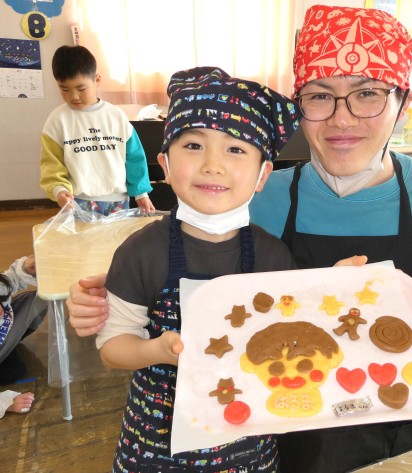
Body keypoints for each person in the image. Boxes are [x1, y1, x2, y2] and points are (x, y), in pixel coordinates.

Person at [67, 6, 412, 472]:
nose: (341, 119)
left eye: (367, 93)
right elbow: (194, 270)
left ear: (403, 102)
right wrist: (109, 297)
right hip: (274, 437)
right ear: (299, 106)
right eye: (320, 96)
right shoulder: (254, 196)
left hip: (401, 437)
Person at [95, 66, 299, 471]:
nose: (212, 165)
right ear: (165, 165)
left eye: (235, 149)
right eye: (193, 145)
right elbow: (112, 348)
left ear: (263, 174)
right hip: (156, 440)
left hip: (247, 435)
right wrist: (156, 350)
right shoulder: (140, 253)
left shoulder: (273, 257)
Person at [40, 45, 155, 216]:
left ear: (97, 80)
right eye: (64, 89)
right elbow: (51, 163)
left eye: (81, 89)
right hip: (78, 201)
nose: (74, 96)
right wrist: (58, 189)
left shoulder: (116, 116)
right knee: (84, 235)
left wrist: (141, 193)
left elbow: (134, 158)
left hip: (118, 200)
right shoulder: (57, 120)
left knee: (118, 235)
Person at [1, 255, 46, 419]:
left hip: (4, 332)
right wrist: (5, 403)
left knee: (36, 301)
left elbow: (10, 280)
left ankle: (8, 344)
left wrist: (26, 269)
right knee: (16, 370)